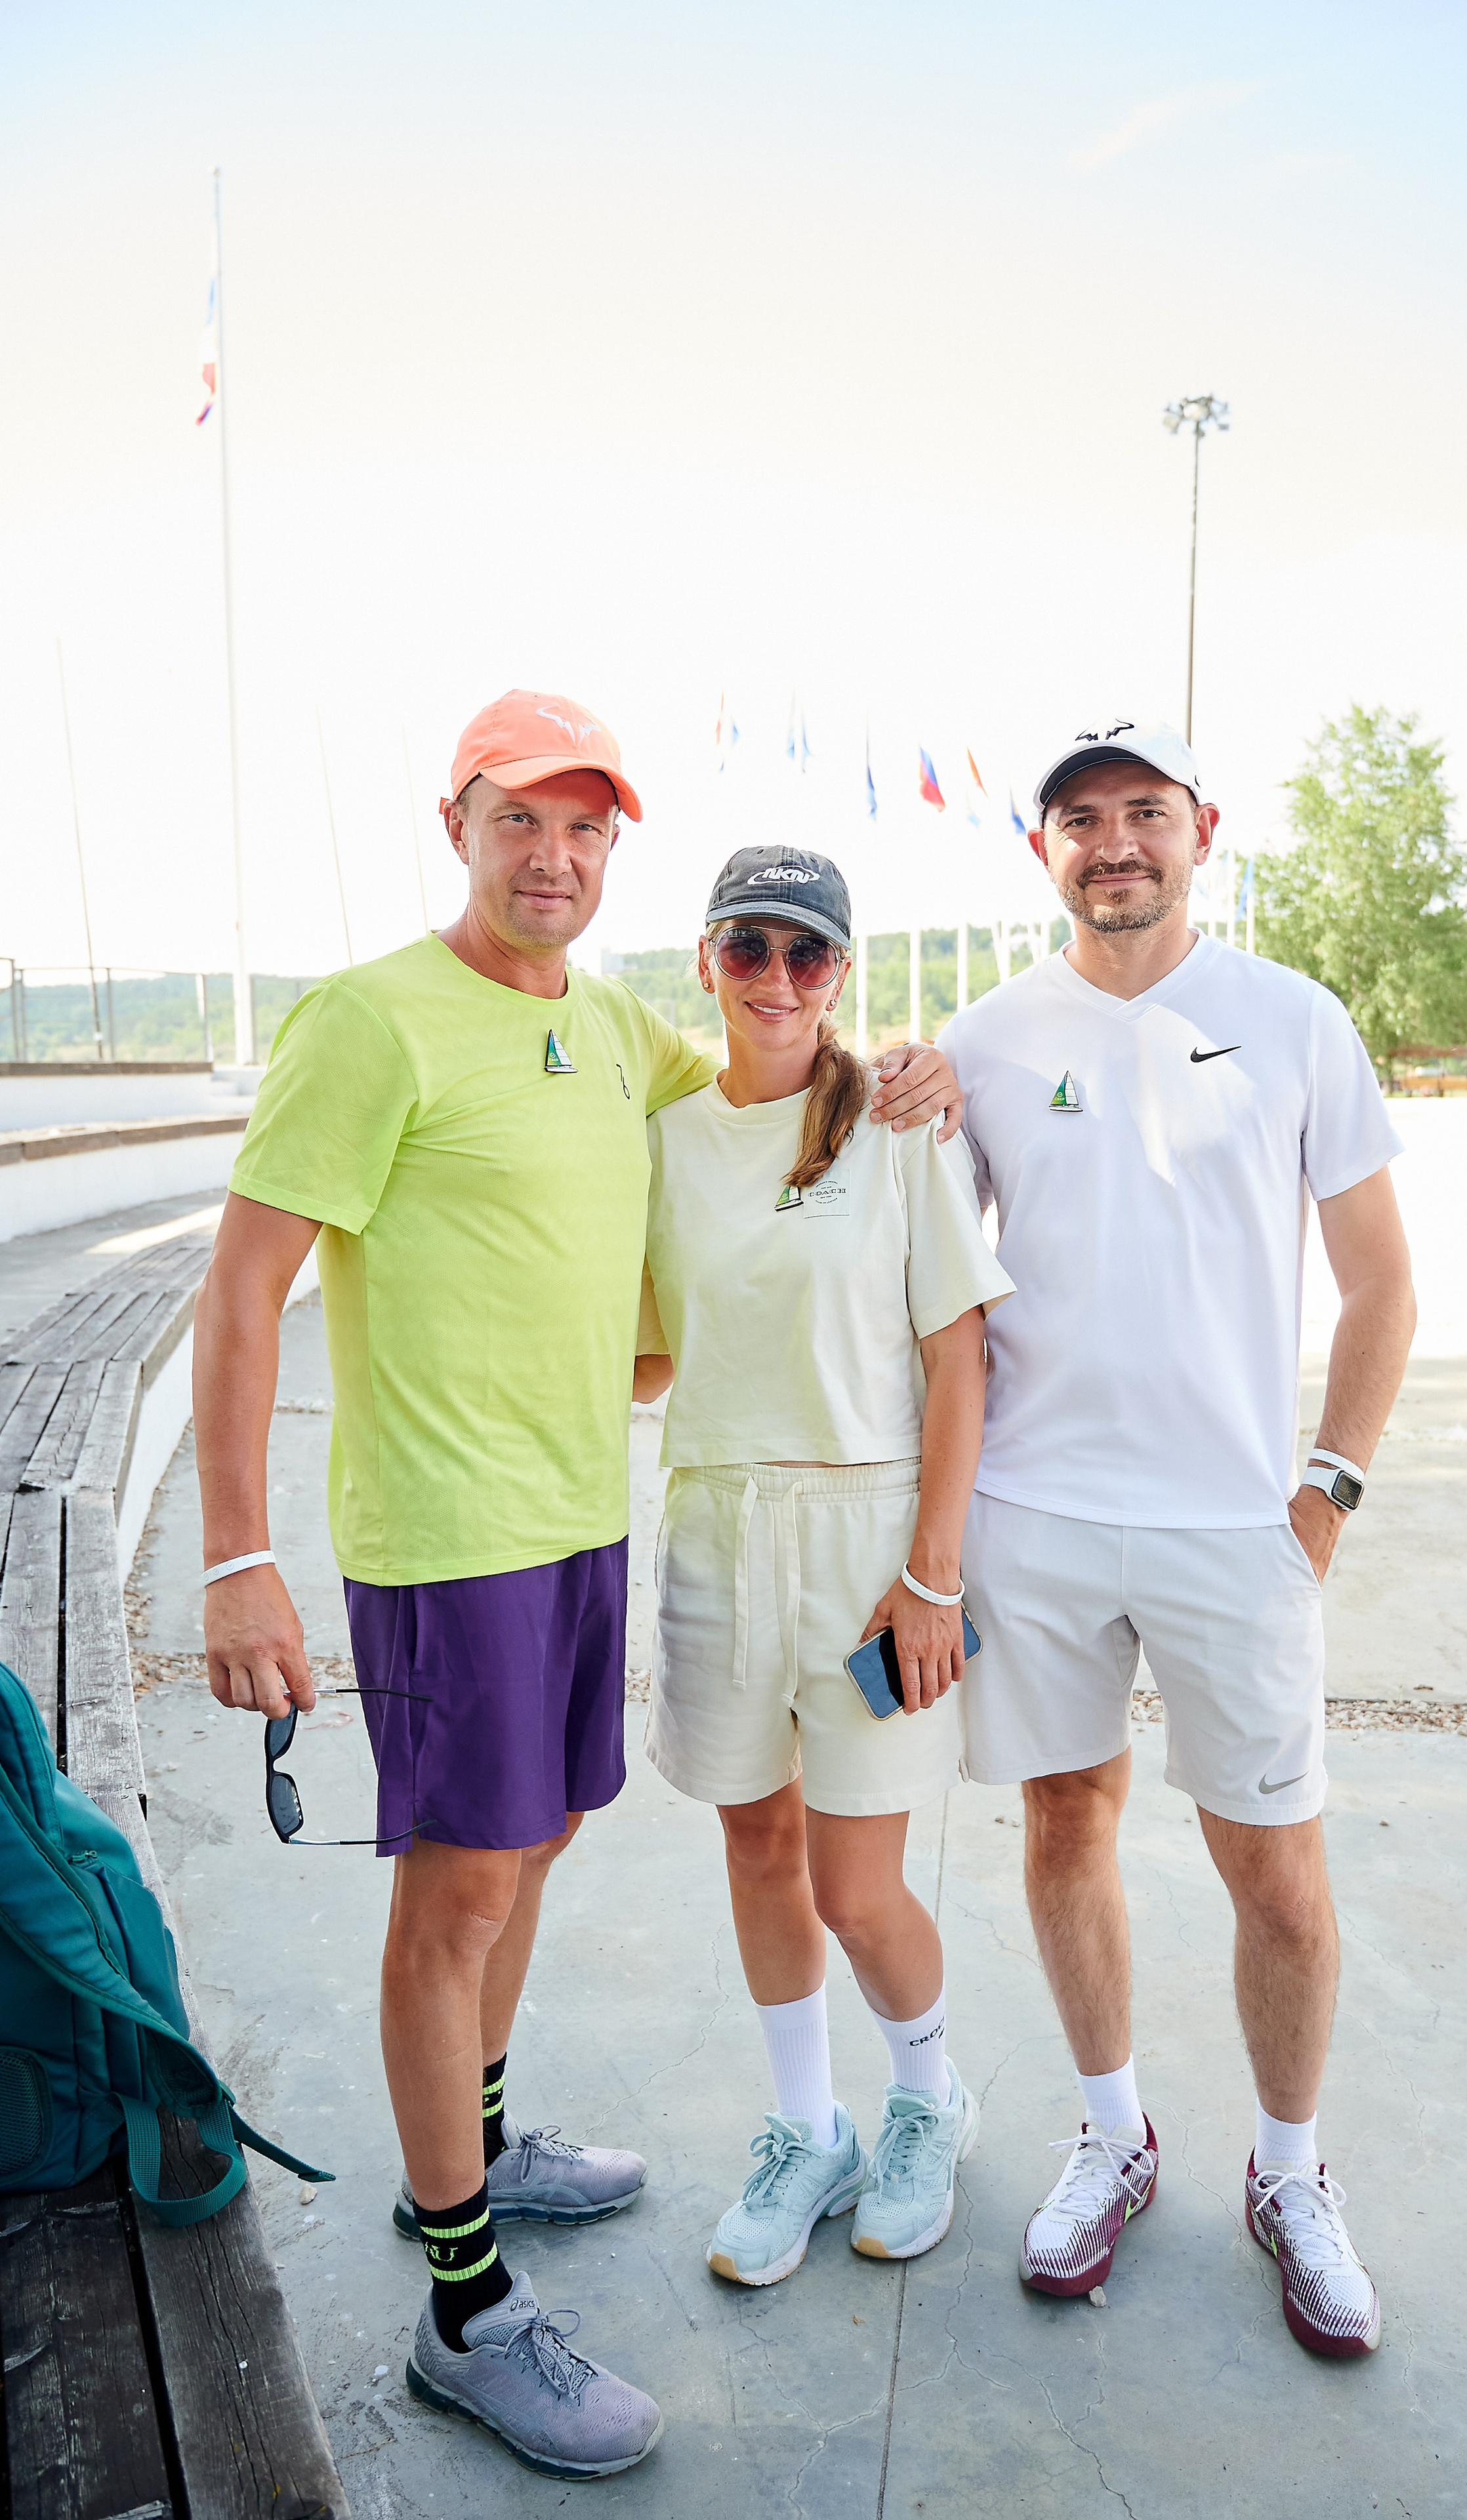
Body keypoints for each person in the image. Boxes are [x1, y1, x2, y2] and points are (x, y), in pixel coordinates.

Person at [192, 693, 964, 2480]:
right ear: (456, 825)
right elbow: (242, 1287)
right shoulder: (369, 1019)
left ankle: (472, 2149)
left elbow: (782, 1081)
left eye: (585, 827)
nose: (553, 856)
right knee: (457, 1893)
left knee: (532, 1849)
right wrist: (239, 1559)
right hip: (444, 1538)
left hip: (583, 1523)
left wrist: (929, 1065)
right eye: (519, 820)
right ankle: (466, 2308)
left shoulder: (619, 1034)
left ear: (615, 851)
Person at [938, 718, 1416, 2355]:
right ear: (1043, 850)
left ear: (1200, 830)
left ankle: (1287, 2172)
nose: (1114, 841)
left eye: (1144, 810)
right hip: (1035, 1516)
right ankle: (1110, 2135)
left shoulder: (1291, 1018)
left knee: (1274, 1871)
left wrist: (1323, 1493)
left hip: (1234, 1530)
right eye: (1080, 818)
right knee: (1064, 1824)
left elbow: (1380, 1282)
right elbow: (929, 1294)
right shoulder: (985, 1037)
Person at [632, 845, 1012, 2288]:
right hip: (719, 1523)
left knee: (856, 1885)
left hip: (868, 1537)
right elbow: (647, 1352)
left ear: (840, 971)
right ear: (707, 961)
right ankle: (807, 2128)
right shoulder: (665, 1139)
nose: (777, 979)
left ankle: (927, 2096)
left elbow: (958, 1356)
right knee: (756, 1844)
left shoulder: (895, 1124)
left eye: (807, 952)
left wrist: (932, 1575)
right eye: (749, 947)